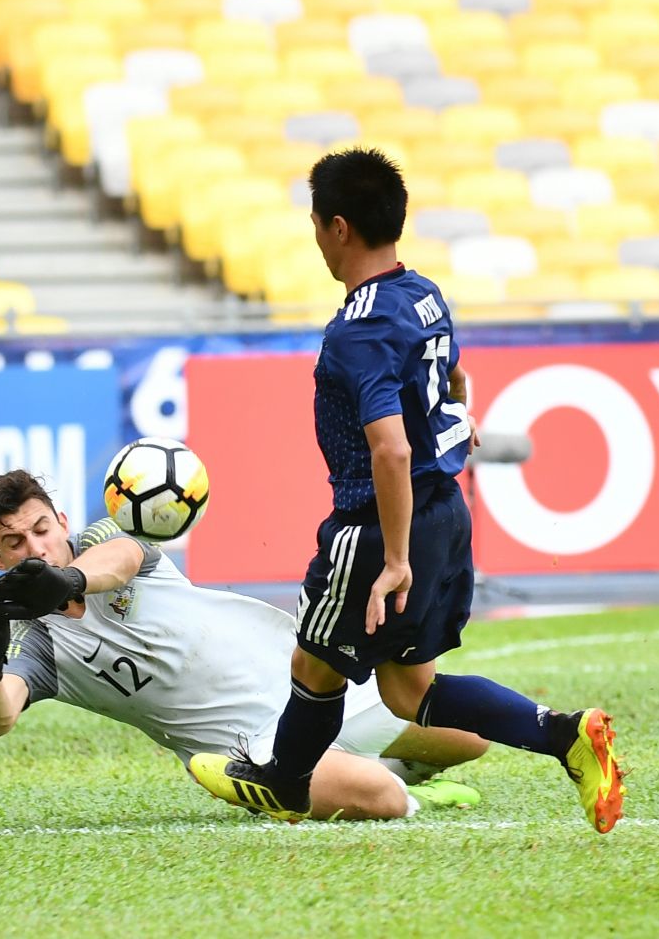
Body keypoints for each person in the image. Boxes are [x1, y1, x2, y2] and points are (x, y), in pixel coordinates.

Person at [185, 149, 627, 833]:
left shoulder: (357, 326)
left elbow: (388, 446)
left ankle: (283, 781)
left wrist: (393, 558)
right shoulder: (421, 292)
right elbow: (449, 377)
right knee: (406, 690)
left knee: (315, 661)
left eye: (313, 222)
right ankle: (565, 735)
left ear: (337, 227)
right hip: (445, 513)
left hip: (383, 522)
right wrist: (454, 418)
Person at [0, 469, 490, 822]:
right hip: (250, 748)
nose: (36, 547)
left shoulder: (104, 540)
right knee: (384, 800)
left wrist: (70, 580)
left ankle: (376, 765)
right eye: (14, 542)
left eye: (42, 528)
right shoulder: (39, 644)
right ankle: (391, 790)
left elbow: (121, 560)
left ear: (63, 522)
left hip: (312, 685)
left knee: (471, 738)